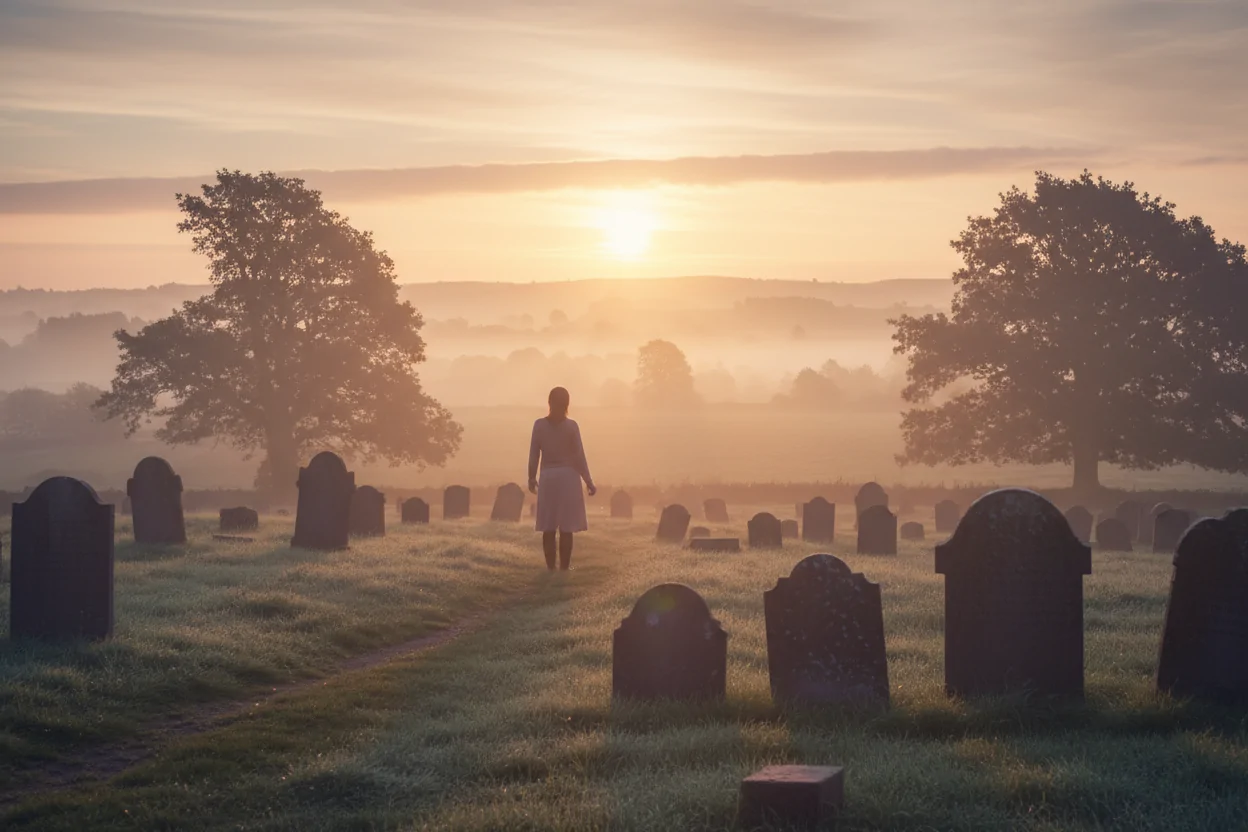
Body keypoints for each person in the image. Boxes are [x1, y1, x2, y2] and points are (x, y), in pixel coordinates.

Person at [528, 386, 596, 570]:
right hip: (569, 478)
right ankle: (564, 568)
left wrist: (531, 478)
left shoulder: (539, 425)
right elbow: (579, 457)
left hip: (548, 477)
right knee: (567, 528)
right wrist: (588, 481)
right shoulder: (572, 426)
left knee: (548, 527)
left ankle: (551, 568)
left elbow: (534, 454)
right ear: (567, 404)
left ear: (549, 402)